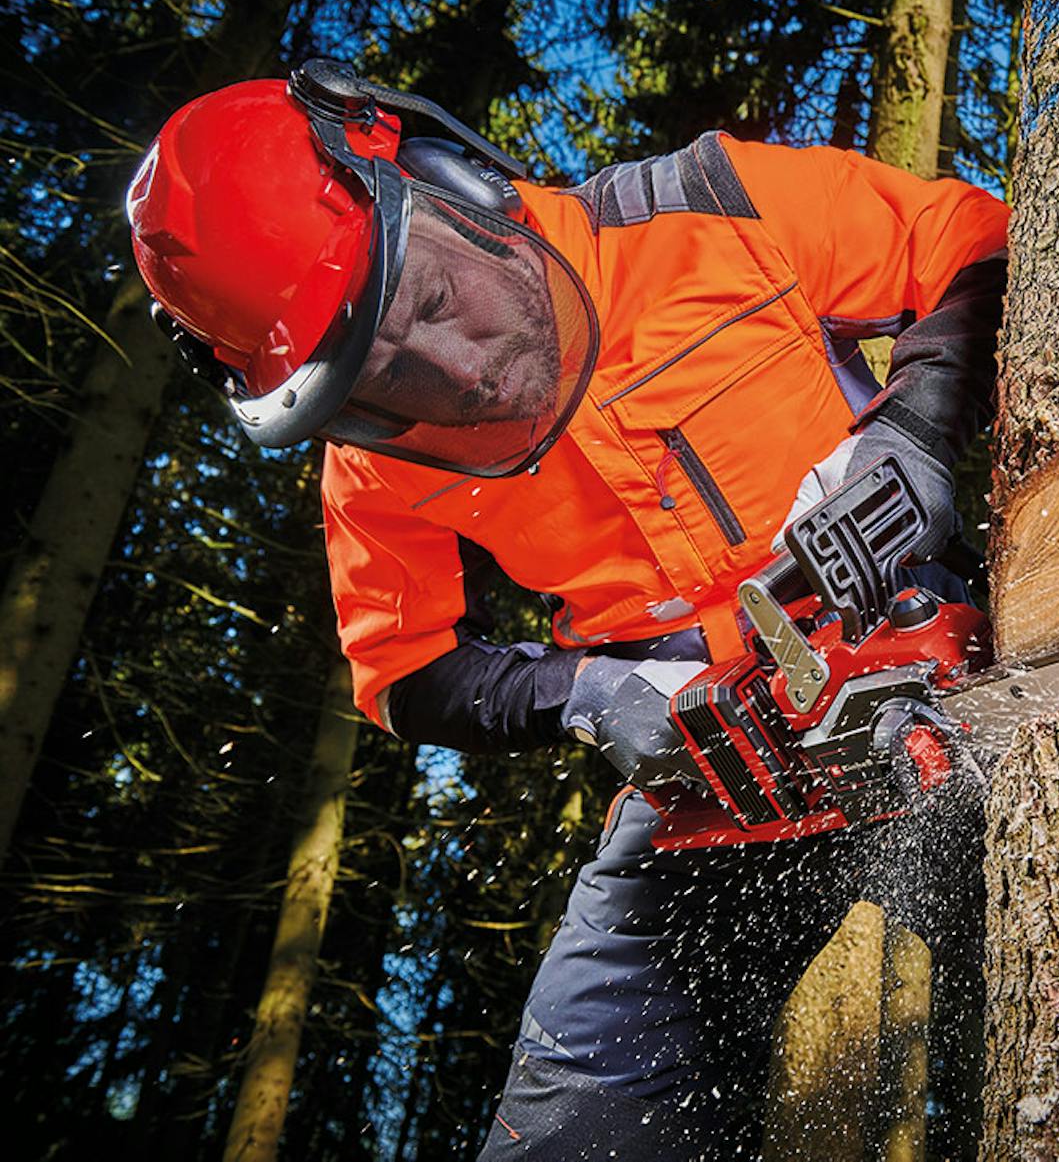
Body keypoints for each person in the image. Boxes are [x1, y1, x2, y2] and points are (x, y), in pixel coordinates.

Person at [126, 60, 1007, 1157]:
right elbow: (402, 672)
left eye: (432, 301)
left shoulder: (706, 206)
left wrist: (912, 434)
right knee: (576, 1117)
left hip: (919, 653)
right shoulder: (374, 467)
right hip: (710, 764)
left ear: (450, 179)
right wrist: (590, 692)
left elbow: (970, 239)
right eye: (389, 378)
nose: (459, 371)